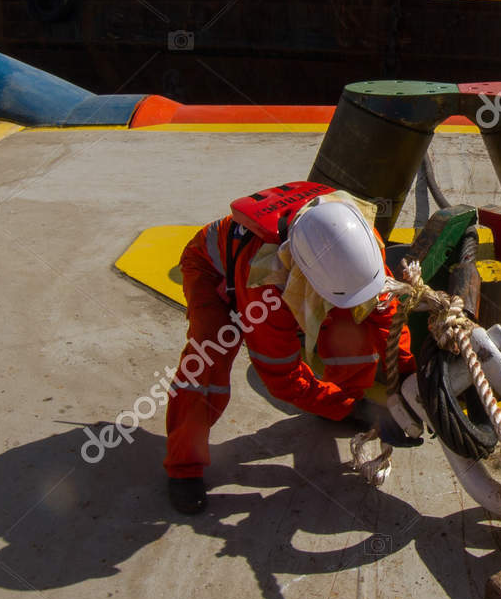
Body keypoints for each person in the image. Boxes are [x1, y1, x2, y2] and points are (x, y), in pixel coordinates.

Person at [163, 182, 416, 514]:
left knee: (352, 328)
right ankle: (183, 468)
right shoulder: (267, 294)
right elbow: (282, 377)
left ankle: (343, 404)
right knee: (206, 364)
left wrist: (411, 375)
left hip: (306, 270)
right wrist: (369, 413)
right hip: (213, 271)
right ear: (309, 280)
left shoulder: (358, 242)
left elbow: (385, 316)